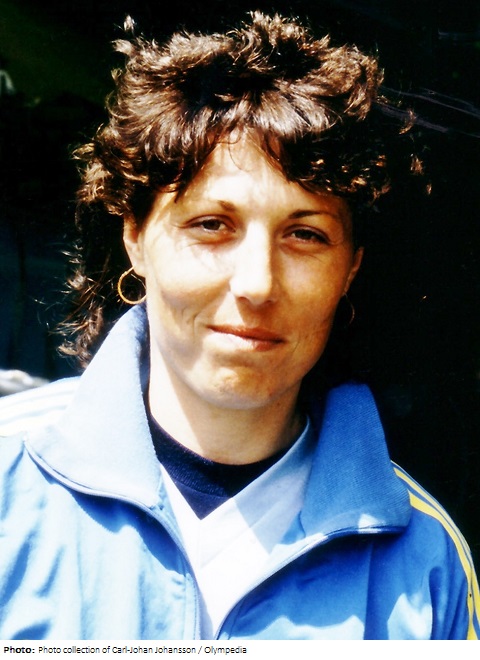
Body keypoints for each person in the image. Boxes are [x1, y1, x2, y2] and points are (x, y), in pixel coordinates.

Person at [0, 11, 478, 641]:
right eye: (211, 225)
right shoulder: (8, 478)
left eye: (305, 235)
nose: (257, 283)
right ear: (136, 238)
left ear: (351, 269)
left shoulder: (426, 564)